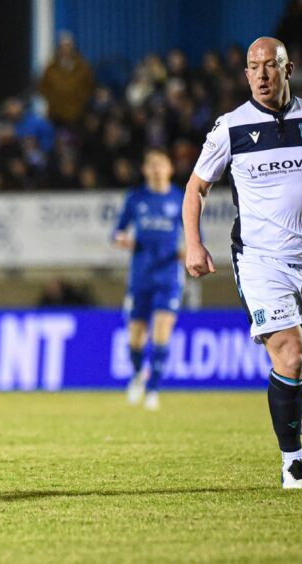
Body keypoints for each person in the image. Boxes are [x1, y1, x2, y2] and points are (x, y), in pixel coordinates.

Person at [183, 37, 302, 489]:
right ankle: (294, 464)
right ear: (246, 74)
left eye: (271, 65)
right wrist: (193, 245)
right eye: (254, 67)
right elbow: (195, 189)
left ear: (288, 70)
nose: (263, 74)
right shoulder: (231, 128)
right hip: (260, 260)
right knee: (290, 356)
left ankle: (293, 394)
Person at [112, 149, 185, 411]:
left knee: (162, 332)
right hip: (140, 275)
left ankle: (153, 389)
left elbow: (193, 234)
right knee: (135, 337)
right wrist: (121, 238)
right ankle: (136, 375)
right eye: (151, 164)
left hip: (168, 276)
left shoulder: (179, 198)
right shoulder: (136, 198)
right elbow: (118, 230)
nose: (155, 169)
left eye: (160, 164)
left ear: (170, 169)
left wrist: (189, 250)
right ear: (144, 170)